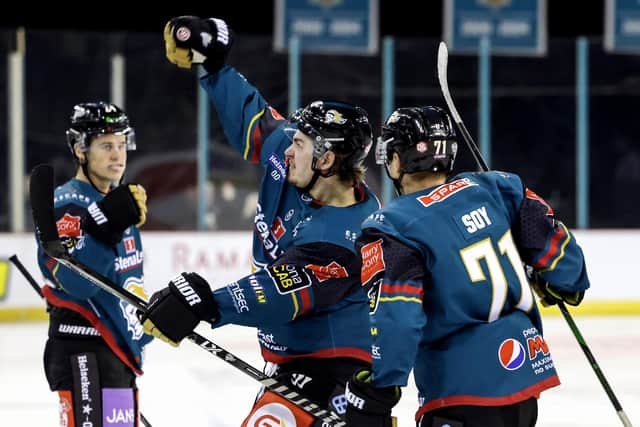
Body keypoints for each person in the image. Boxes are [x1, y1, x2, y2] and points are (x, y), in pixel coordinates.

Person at [139, 15, 381, 426]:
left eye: (300, 144)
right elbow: (254, 123)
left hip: (336, 379)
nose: (288, 147)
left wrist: (207, 303)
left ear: (326, 160)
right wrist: (215, 65)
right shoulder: (290, 160)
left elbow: (281, 290)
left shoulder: (350, 237)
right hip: (291, 366)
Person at [343, 106, 591, 427]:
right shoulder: (498, 188)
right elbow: (564, 262)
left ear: (396, 160)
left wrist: (379, 385)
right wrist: (559, 284)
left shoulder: (392, 226)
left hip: (460, 393)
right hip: (524, 380)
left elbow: (399, 317)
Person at [35, 101, 151, 427]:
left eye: (121, 144)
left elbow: (124, 280)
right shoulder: (68, 205)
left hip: (115, 352)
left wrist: (150, 324)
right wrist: (103, 230)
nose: (118, 155)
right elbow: (78, 283)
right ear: (80, 150)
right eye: (106, 145)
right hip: (84, 350)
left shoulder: (118, 202)